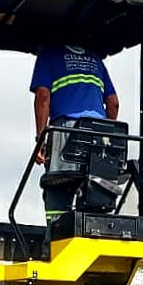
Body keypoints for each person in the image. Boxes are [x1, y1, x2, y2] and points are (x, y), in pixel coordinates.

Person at [30, 44, 120, 222]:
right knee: (96, 187)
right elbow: (113, 103)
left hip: (66, 130)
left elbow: (43, 96)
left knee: (58, 186)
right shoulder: (96, 60)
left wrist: (41, 139)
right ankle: (93, 229)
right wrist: (109, 134)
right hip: (99, 134)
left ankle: (54, 237)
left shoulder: (49, 55)